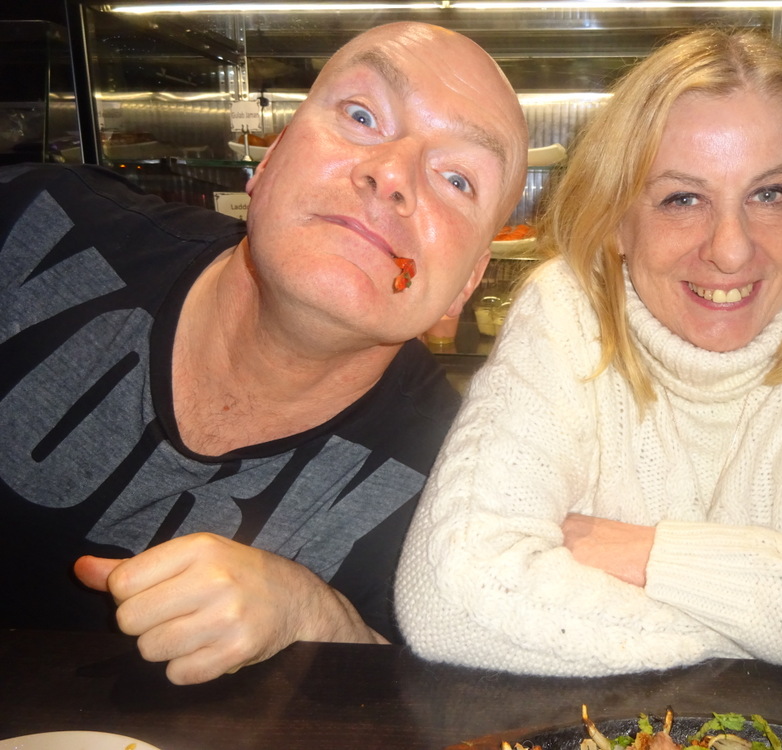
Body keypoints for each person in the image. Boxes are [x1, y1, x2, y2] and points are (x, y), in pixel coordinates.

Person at [395, 28, 782, 702]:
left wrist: (659, 559)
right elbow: (451, 595)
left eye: (771, 194)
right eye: (682, 199)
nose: (731, 250)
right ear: (617, 219)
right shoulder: (566, 309)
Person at [0, 22, 528, 686]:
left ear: (467, 283)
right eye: (362, 116)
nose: (392, 175)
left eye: (457, 179)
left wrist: (317, 616)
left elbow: (431, 710)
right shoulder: (33, 226)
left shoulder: (452, 493)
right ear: (269, 159)